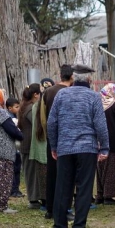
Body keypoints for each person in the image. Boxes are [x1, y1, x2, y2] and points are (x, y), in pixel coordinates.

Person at [47, 64, 109, 228]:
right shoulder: (93, 97)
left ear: (73, 78)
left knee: (62, 188)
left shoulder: (61, 95)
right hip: (87, 148)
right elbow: (100, 125)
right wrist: (104, 147)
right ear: (89, 80)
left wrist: (54, 145)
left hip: (65, 148)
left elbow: (51, 123)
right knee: (84, 188)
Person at [37, 64, 74, 219]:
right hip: (68, 139)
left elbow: (43, 118)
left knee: (52, 174)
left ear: (60, 76)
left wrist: (49, 135)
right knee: (66, 175)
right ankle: (64, 209)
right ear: (72, 77)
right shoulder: (71, 93)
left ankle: (50, 209)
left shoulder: (48, 92)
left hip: (52, 139)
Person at [95, 83, 115, 205]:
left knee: (100, 169)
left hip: (98, 143)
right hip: (113, 142)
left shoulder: (97, 104)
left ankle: (100, 194)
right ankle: (108, 196)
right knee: (112, 169)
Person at [17, 84, 46, 209]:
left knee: (30, 173)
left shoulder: (23, 106)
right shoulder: (30, 108)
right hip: (29, 145)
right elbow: (37, 123)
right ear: (35, 94)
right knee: (32, 174)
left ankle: (33, 198)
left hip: (26, 144)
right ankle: (33, 199)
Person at [5, 97, 24, 198]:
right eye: (16, 107)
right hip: (12, 148)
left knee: (17, 169)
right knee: (14, 169)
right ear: (9, 108)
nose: (18, 108)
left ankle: (16, 189)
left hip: (16, 149)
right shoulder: (10, 119)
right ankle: (13, 190)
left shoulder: (14, 116)